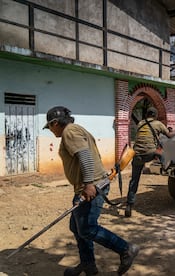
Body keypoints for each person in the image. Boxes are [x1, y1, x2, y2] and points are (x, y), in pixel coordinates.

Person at [43, 106, 139, 276]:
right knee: (76, 226)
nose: (51, 131)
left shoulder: (69, 132)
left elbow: (85, 156)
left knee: (87, 228)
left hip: (92, 187)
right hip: (88, 186)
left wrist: (88, 184)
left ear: (55, 123)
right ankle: (88, 264)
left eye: (49, 127)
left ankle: (126, 249)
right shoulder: (76, 130)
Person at [126, 107, 175, 217]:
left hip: (137, 155)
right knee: (162, 153)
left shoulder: (140, 123)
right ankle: (165, 167)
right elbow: (169, 135)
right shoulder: (158, 124)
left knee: (134, 181)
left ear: (147, 114)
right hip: (150, 153)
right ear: (155, 115)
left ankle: (129, 205)